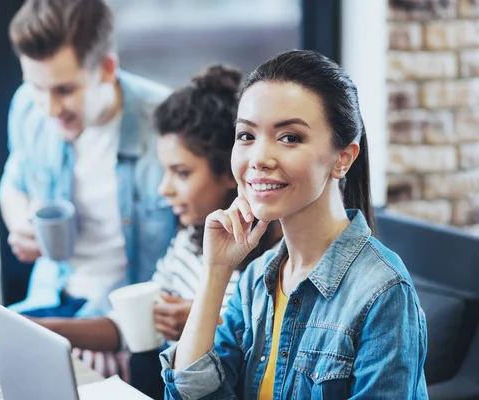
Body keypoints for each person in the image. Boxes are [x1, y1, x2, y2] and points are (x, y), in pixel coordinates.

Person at [160, 50, 429, 399]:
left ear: (342, 159)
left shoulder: (382, 290)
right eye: (246, 136)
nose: (259, 158)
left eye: (289, 137)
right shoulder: (257, 280)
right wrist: (215, 271)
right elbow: (190, 394)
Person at [27, 65, 282, 399]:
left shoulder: (269, 267)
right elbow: (130, 326)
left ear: (230, 173)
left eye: (181, 173)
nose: (165, 189)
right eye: (165, 171)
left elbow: (262, 363)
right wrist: (44, 330)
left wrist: (203, 321)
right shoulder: (187, 242)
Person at [0, 0, 176, 318]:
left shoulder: (168, 124)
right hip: (49, 299)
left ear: (108, 69)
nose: (49, 108)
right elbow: (14, 182)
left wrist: (112, 333)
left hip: (131, 318)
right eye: (36, 86)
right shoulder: (27, 107)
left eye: (64, 90)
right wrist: (20, 223)